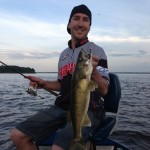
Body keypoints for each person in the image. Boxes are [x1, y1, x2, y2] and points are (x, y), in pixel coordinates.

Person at [11, 4, 109, 150]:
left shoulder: (98, 51)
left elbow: (105, 90)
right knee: (17, 135)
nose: (81, 23)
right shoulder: (63, 54)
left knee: (58, 147)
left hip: (90, 110)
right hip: (62, 107)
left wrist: (93, 72)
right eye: (76, 18)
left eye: (86, 20)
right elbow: (61, 84)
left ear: (90, 26)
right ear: (69, 24)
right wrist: (43, 83)